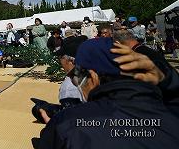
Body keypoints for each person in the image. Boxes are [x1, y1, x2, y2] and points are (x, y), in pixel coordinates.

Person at [36, 37, 179, 149]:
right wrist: (167, 78)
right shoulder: (171, 114)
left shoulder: (69, 126)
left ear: (93, 76)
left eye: (75, 77)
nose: (74, 82)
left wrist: (54, 130)